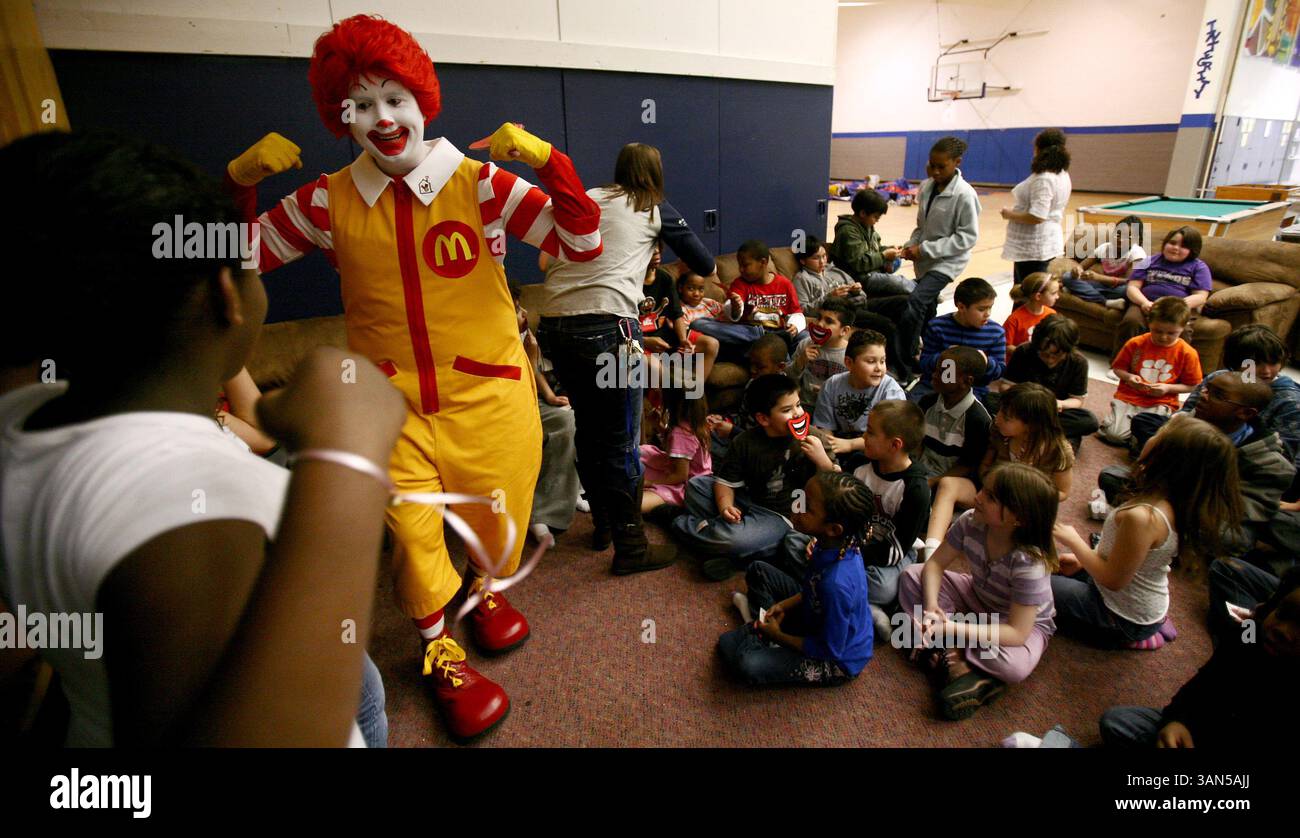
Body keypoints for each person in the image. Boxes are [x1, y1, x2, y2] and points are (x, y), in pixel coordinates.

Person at [223, 15, 598, 739]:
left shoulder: (480, 183)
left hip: (490, 398)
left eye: (393, 97)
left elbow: (580, 243)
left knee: (499, 522)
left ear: (423, 100)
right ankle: (440, 650)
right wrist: (239, 182)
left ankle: (486, 591)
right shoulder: (328, 201)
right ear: (341, 117)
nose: (381, 118)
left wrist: (549, 159)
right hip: (388, 408)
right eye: (358, 104)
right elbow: (239, 260)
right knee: (415, 537)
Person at [0, 129, 406, 747]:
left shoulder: (23, 415)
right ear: (225, 292)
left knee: (365, 685)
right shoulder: (197, 499)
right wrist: (348, 457)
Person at [539, 140, 716, 576]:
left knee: (590, 433)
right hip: (608, 331)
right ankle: (631, 547)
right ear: (656, 176)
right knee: (620, 442)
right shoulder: (655, 206)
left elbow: (546, 258)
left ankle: (603, 525)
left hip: (557, 331)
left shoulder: (585, 198)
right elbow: (706, 266)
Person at [1053, 415, 1243, 650]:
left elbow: (1113, 580)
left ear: (1169, 458)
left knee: (1026, 586)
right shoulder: (1176, 500)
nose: (1151, 436)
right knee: (1048, 572)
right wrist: (1085, 561)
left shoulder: (1144, 517)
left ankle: (1139, 633)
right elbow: (1130, 557)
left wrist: (1074, 542)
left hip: (1118, 615)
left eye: (1159, 435)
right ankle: (1152, 624)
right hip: (1136, 597)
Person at [899, 463, 1060, 720]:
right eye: (984, 489)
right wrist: (931, 606)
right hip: (977, 597)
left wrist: (949, 628)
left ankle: (943, 649)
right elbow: (934, 566)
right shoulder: (970, 521)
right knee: (911, 575)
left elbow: (1018, 633)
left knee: (1014, 667)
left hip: (1018, 625)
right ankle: (959, 662)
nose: (978, 497)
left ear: (1018, 518)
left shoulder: (1030, 561)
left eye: (991, 497)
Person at [1099, 566, 1300, 749]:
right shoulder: (1250, 633)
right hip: (1205, 729)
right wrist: (1179, 722)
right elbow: (1202, 687)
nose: (1283, 631)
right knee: (1117, 722)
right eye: (1283, 613)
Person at [1099, 373, 1292, 556]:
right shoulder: (1191, 419)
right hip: (1171, 499)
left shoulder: (1269, 463)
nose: (1203, 396)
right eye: (1206, 389)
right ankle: (1164, 537)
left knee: (1231, 539)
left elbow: (1243, 515)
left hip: (1206, 513)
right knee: (1112, 476)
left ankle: (1158, 536)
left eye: (1217, 395)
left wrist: (1186, 500)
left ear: (1245, 413)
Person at [717, 471, 874, 687]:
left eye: (806, 507)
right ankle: (764, 631)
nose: (795, 507)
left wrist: (779, 636)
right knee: (758, 571)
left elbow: (829, 649)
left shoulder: (836, 584)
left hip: (835, 659)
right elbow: (812, 587)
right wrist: (783, 605)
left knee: (745, 662)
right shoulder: (834, 544)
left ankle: (765, 633)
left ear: (833, 529)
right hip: (815, 614)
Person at [672, 374, 819, 581]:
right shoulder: (745, 441)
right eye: (787, 410)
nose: (797, 413)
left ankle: (682, 524)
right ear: (763, 418)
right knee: (697, 486)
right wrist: (725, 507)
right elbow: (725, 482)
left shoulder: (812, 437)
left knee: (733, 540)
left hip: (783, 515)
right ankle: (741, 550)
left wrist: (822, 460)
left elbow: (830, 484)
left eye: (798, 405)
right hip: (746, 500)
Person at [807, 400, 930, 634]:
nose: (863, 436)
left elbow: (894, 550)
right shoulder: (859, 463)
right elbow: (842, 512)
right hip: (850, 543)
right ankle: (860, 602)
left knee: (885, 586)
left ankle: (846, 596)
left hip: (886, 555)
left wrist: (841, 554)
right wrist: (823, 540)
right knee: (796, 541)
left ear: (895, 445)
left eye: (871, 432)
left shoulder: (916, 490)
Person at [923, 383, 1074, 559]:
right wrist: (992, 487)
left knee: (1032, 542)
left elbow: (1063, 492)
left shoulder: (1057, 450)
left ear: (1031, 426)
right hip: (988, 492)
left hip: (1021, 506)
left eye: (1007, 417)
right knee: (948, 484)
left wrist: (1024, 495)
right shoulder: (998, 433)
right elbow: (984, 467)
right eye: (1000, 411)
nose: (998, 418)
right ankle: (931, 549)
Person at [1128, 324, 1300, 473]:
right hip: (1195, 436)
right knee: (1146, 421)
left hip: (1239, 454)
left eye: (1273, 363)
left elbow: (1284, 455)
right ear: (1236, 363)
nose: (1266, 371)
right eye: (1256, 364)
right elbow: (1187, 411)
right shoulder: (1218, 378)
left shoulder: (1289, 400)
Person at [894, 136, 981, 382]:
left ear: (957, 162)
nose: (934, 170)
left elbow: (967, 238)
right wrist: (912, 246)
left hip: (948, 261)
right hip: (925, 259)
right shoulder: (926, 186)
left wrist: (926, 249)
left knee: (915, 303)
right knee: (927, 308)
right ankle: (931, 358)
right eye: (931, 164)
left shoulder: (965, 195)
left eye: (941, 166)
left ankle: (905, 365)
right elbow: (921, 227)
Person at [510, 283, 580, 546]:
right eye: (516, 308)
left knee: (565, 419)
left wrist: (550, 396)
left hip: (531, 399)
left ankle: (546, 511)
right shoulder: (482, 334)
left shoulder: (524, 333)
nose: (524, 311)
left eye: (520, 305)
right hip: (502, 405)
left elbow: (534, 371)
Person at [1098, 296, 1202, 445]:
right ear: (1149, 323)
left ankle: (1135, 436)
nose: (1164, 337)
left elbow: (1193, 385)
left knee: (1148, 439)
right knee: (1115, 437)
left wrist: (1168, 388)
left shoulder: (1188, 353)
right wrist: (1129, 378)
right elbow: (1118, 369)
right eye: (1157, 331)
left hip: (1160, 402)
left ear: (1184, 327)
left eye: (1172, 333)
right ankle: (1119, 429)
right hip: (1129, 397)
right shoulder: (1136, 343)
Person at [989, 314, 1099, 453]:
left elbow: (1077, 400)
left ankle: (1026, 431)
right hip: (1023, 407)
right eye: (1045, 354)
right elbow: (1004, 386)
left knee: (1089, 420)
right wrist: (1024, 397)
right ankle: (1049, 436)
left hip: (1053, 413)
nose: (1050, 359)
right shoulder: (1024, 351)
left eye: (1057, 355)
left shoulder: (1078, 362)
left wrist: (1060, 403)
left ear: (1069, 350)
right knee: (989, 400)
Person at [692, 239, 806, 353]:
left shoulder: (785, 284)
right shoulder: (740, 283)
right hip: (748, 331)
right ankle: (765, 338)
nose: (741, 270)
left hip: (778, 331)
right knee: (698, 324)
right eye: (739, 265)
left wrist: (795, 326)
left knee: (806, 337)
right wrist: (735, 308)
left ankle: (769, 345)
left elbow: (797, 313)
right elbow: (733, 310)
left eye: (745, 265)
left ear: (763, 262)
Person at [813, 329, 907, 461]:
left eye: (882, 361)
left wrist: (851, 445)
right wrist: (830, 448)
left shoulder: (891, 392)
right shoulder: (832, 384)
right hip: (839, 442)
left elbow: (888, 438)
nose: (879, 368)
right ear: (849, 363)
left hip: (875, 450)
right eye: (871, 361)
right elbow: (825, 428)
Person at [1114, 226, 1212, 351]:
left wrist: (1175, 306)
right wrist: (1144, 303)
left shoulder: (1199, 267)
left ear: (1192, 250)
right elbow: (1132, 287)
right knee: (1131, 322)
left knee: (1182, 332)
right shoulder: (1147, 260)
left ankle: (1171, 368)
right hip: (1144, 304)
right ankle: (1119, 365)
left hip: (1177, 309)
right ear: (1165, 243)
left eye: (1183, 246)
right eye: (1172, 243)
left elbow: (1201, 296)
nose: (1176, 248)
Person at [911, 276, 1005, 403]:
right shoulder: (937, 326)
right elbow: (924, 365)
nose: (987, 313)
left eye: (990, 307)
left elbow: (999, 371)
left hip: (973, 390)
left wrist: (985, 362)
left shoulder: (995, 332)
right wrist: (944, 358)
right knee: (911, 408)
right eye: (981, 309)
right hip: (934, 385)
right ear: (961, 307)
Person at [1001, 128, 1072, 287]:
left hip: (1035, 247)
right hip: (1045, 243)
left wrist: (1009, 214)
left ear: (1038, 149)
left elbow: (1037, 216)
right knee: (1038, 291)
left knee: (1027, 293)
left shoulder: (1044, 179)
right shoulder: (1062, 174)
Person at [915, 346, 993, 489]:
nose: (934, 375)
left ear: (966, 381)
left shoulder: (978, 419)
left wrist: (932, 482)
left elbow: (967, 465)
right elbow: (917, 444)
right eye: (936, 370)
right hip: (919, 472)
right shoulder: (927, 402)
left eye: (944, 373)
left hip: (947, 483)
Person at [827, 189, 916, 296]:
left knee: (896, 268)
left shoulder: (867, 227)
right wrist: (884, 256)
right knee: (896, 282)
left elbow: (875, 249)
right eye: (875, 217)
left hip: (871, 272)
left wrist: (888, 249)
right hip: (857, 278)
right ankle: (922, 291)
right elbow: (859, 263)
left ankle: (919, 288)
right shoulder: (847, 231)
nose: (877, 220)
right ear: (863, 213)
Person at [640, 386, 712, 516]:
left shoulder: (681, 434)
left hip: (685, 485)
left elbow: (680, 476)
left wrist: (650, 483)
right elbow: (676, 448)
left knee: (635, 504)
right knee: (642, 452)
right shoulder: (695, 422)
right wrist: (659, 426)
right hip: (679, 469)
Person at [1061, 214, 1145, 305]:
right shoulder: (1104, 248)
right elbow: (1081, 266)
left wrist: (1099, 277)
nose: (1120, 239)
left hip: (1120, 288)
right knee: (1067, 276)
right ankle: (1105, 301)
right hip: (1102, 285)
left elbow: (1129, 281)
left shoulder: (1138, 253)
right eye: (1118, 234)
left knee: (1127, 291)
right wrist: (1077, 270)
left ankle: (1079, 291)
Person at [790, 296, 854, 412]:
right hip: (805, 406)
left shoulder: (851, 354)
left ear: (844, 331)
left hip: (835, 410)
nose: (820, 324)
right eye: (818, 318)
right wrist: (800, 362)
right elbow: (788, 379)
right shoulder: (805, 344)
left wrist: (830, 393)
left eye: (829, 321)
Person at [674, 271, 723, 382]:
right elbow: (687, 336)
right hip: (704, 346)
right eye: (691, 289)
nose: (697, 294)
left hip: (723, 337)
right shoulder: (680, 310)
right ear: (681, 288)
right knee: (697, 324)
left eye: (701, 289)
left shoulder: (708, 303)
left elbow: (727, 316)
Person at [1002, 272, 1059, 353]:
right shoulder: (1014, 319)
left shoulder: (1052, 314)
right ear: (1038, 296)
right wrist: (1028, 354)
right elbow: (1005, 346)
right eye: (1054, 293)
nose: (1057, 296)